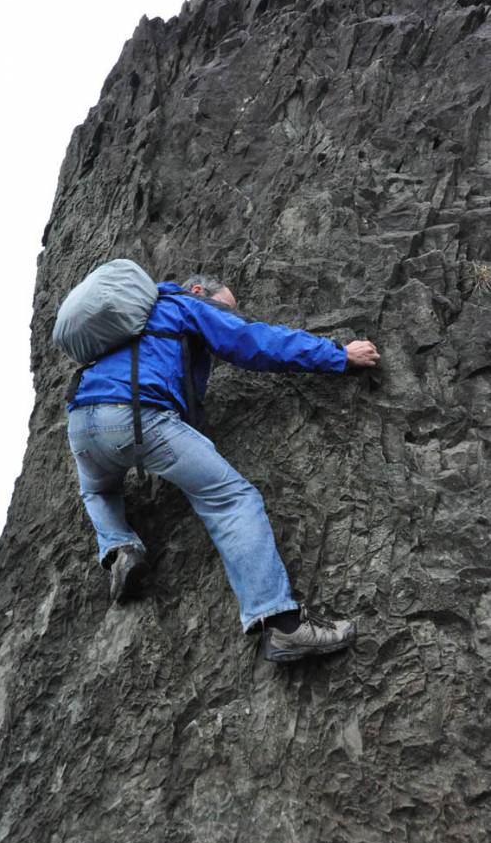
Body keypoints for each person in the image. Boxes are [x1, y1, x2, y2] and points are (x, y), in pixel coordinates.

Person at [67, 274, 380, 662]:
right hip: (137, 416)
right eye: (227, 307)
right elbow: (252, 341)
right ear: (200, 292)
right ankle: (281, 624)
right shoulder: (184, 305)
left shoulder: (126, 326)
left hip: (81, 424)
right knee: (233, 500)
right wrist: (338, 355)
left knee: (98, 490)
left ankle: (119, 547)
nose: (230, 314)